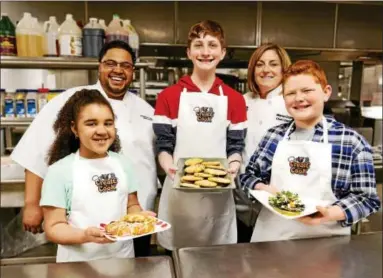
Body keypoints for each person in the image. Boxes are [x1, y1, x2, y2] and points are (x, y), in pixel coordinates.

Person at [11, 40, 157, 256]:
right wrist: (32, 203)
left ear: (132, 71)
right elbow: (36, 149)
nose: (118, 70)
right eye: (110, 63)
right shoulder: (74, 100)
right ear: (99, 66)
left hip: (136, 219)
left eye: (125, 66)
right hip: (84, 224)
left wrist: (140, 214)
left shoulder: (145, 109)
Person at [240, 60, 381, 242]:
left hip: (325, 245)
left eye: (307, 91)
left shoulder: (351, 142)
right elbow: (248, 176)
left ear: (326, 92)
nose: (299, 98)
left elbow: (367, 199)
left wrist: (330, 214)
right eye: (291, 93)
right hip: (271, 240)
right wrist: (262, 188)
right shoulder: (273, 136)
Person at [153, 20, 247, 251]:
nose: (206, 52)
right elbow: (164, 146)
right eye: (198, 45)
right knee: (177, 257)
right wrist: (169, 167)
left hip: (218, 193)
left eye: (212, 45)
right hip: (179, 191)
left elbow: (235, 146)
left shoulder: (235, 99)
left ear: (222, 52)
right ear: (189, 52)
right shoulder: (168, 96)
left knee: (216, 259)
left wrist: (234, 165)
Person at [41, 89, 152, 262]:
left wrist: (139, 218)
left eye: (108, 123)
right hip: (77, 266)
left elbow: (131, 205)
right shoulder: (59, 171)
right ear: (74, 128)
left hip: (122, 260)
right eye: (91, 124)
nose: (102, 131)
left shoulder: (124, 164)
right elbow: (54, 227)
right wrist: (85, 236)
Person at [236, 43, 293, 243]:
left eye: (273, 64)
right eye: (260, 64)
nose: (266, 70)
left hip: (276, 201)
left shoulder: (292, 102)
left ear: (284, 69)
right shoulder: (241, 101)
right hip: (240, 201)